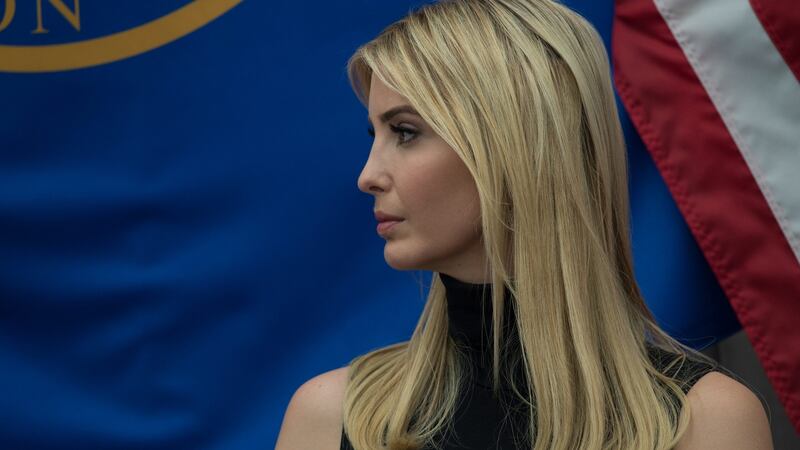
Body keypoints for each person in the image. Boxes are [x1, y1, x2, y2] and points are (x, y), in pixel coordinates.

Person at [275, 0, 773, 448]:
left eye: (405, 132)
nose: (367, 176)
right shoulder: (333, 418)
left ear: (513, 144)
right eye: (376, 134)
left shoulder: (704, 421)